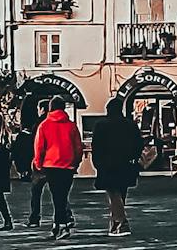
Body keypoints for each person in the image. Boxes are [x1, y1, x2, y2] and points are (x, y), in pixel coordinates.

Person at [31, 101, 81, 237]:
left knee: (57, 195)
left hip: (51, 164)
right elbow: (78, 147)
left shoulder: (44, 125)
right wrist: (76, 163)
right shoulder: (71, 126)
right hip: (68, 165)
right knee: (62, 196)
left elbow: (39, 147)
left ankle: (61, 225)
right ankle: (58, 224)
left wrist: (38, 163)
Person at [92, 108, 144, 237]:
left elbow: (96, 145)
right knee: (121, 193)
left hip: (107, 164)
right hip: (125, 163)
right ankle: (115, 222)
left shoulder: (101, 125)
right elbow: (139, 144)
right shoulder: (130, 125)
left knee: (113, 193)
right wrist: (134, 157)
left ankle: (121, 222)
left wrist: (97, 163)